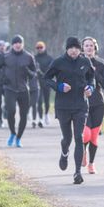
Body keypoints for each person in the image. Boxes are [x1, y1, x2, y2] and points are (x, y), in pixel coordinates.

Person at [44, 36, 95, 185]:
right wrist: (59, 87)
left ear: (80, 49)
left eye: (76, 48)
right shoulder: (58, 62)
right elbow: (46, 78)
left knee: (79, 137)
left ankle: (77, 172)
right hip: (63, 106)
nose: (74, 50)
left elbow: (91, 79)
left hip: (80, 105)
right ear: (67, 49)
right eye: (71, 48)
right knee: (67, 138)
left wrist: (90, 88)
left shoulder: (85, 62)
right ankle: (64, 151)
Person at [0, 35, 36, 147]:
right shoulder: (6, 56)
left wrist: (29, 72)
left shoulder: (28, 57)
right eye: (16, 43)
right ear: (12, 45)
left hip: (23, 90)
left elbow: (34, 73)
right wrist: (2, 78)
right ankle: (13, 133)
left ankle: (18, 138)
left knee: (24, 115)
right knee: (11, 111)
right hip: (10, 89)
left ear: (23, 44)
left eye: (20, 42)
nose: (18, 45)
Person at [81, 37, 104, 175]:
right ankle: (82, 152)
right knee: (85, 135)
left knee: (94, 136)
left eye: (91, 45)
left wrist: (95, 72)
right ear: (82, 48)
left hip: (98, 104)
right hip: (83, 103)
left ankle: (91, 164)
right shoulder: (78, 63)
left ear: (95, 47)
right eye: (86, 45)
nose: (89, 48)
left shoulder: (101, 64)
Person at [34, 41, 54, 126]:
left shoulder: (49, 58)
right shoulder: (34, 58)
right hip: (38, 82)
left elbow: (52, 69)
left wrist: (44, 73)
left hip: (47, 82)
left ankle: (46, 114)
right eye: (38, 48)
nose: (39, 49)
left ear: (44, 47)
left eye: (41, 47)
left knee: (46, 101)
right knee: (39, 101)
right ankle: (40, 118)